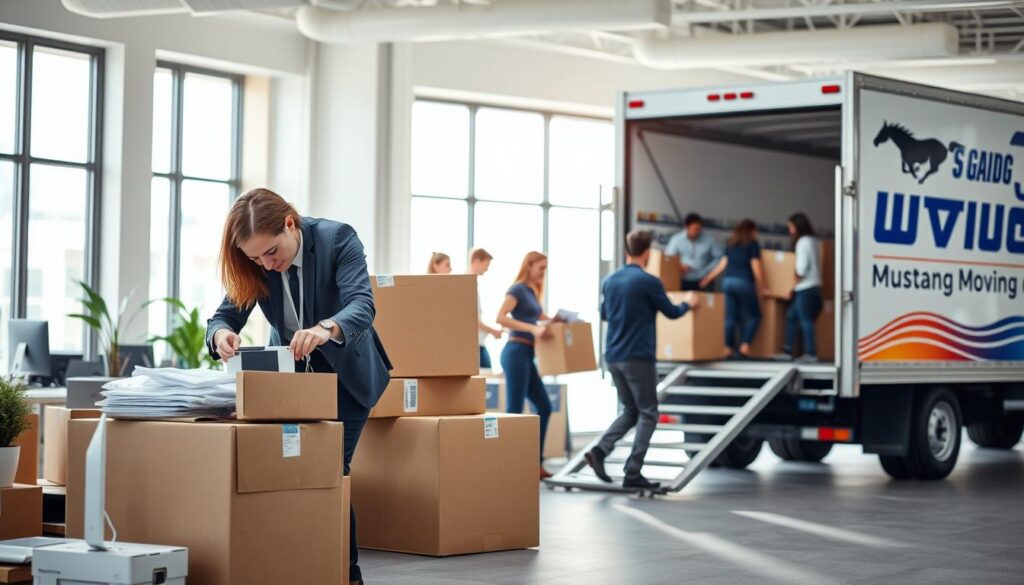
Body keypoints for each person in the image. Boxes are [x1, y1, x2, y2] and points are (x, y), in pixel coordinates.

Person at [205, 188, 391, 585]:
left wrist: (325, 329)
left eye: (271, 253)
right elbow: (222, 317)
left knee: (328, 468)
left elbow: (362, 303)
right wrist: (221, 334)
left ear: (290, 223)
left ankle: (346, 574)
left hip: (346, 378)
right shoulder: (256, 261)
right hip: (289, 380)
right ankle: (295, 565)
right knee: (288, 470)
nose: (266, 265)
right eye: (255, 258)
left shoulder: (337, 239)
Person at [585, 230, 699, 491]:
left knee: (631, 410)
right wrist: (689, 303)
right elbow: (671, 312)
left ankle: (600, 451)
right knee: (648, 412)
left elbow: (605, 314)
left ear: (628, 251)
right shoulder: (649, 281)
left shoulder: (610, 280)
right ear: (648, 252)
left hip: (612, 355)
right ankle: (633, 471)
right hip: (637, 356)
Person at [496, 251, 555, 480]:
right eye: (541, 267)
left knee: (545, 407)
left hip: (527, 354)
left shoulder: (532, 292)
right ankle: (508, 464)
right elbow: (500, 317)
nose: (543, 272)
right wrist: (532, 329)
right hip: (515, 352)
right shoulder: (518, 289)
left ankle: (534, 463)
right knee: (515, 410)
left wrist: (559, 322)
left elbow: (543, 318)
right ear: (529, 266)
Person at [700, 219, 769, 359]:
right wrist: (762, 286)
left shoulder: (731, 244)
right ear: (751, 231)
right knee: (755, 316)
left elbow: (722, 264)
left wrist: (708, 277)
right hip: (743, 282)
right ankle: (745, 345)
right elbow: (755, 265)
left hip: (728, 282)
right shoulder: (752, 244)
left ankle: (727, 348)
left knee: (730, 317)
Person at [776, 213, 823, 363]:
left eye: (791, 226)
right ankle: (788, 351)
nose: (790, 230)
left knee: (805, 320)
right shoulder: (814, 241)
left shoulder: (803, 241)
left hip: (805, 288)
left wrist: (790, 287)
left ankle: (811, 353)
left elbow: (801, 269)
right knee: (792, 315)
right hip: (814, 286)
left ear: (797, 226)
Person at [665, 212, 723, 291]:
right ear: (686, 227)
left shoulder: (709, 240)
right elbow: (668, 259)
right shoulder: (676, 240)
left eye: (699, 229)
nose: (698, 232)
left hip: (703, 279)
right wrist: (679, 265)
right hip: (682, 279)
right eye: (695, 229)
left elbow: (719, 257)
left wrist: (709, 270)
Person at [468, 247, 502, 370]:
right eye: (486, 264)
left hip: (479, 342)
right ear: (477, 261)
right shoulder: (466, 286)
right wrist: (493, 331)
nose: (487, 269)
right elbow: (471, 319)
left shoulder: (474, 285)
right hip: (473, 345)